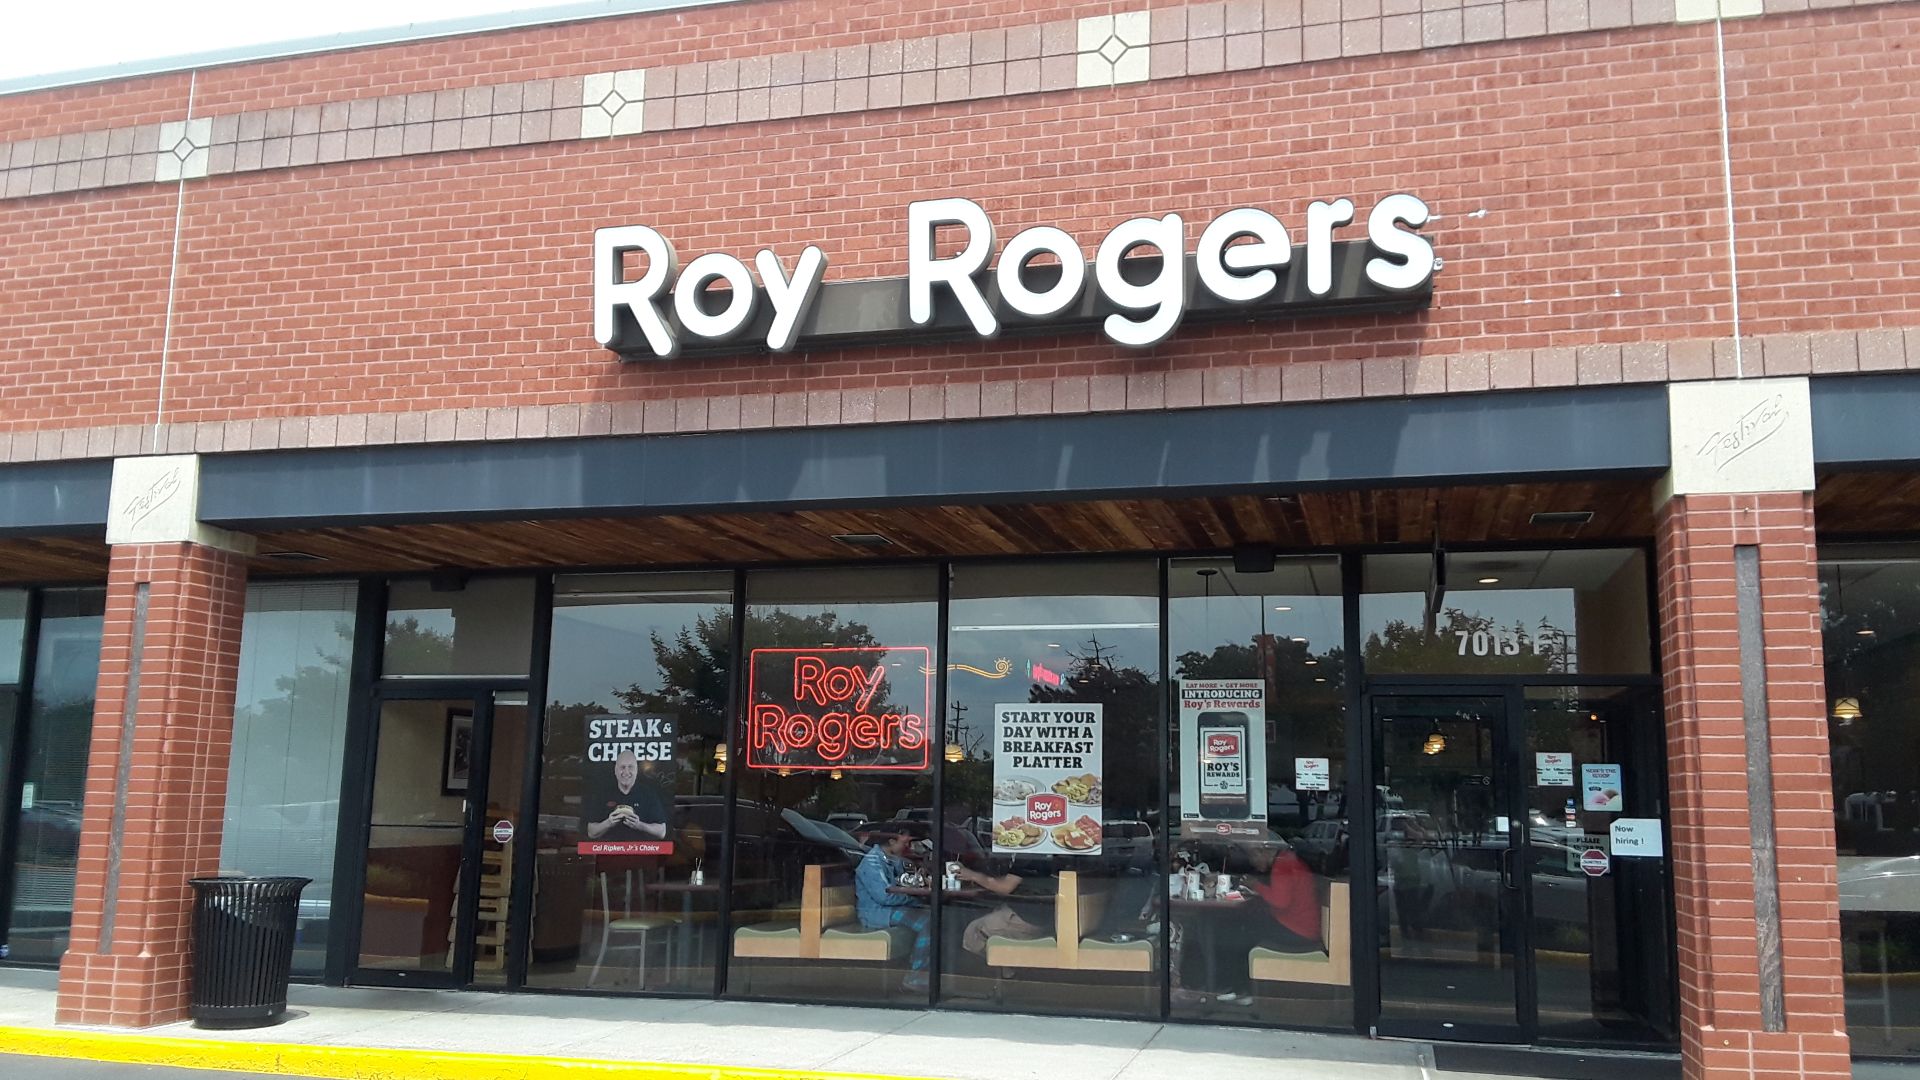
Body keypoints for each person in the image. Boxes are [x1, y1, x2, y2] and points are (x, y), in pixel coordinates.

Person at [1202, 839, 1323, 1004]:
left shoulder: (1283, 865)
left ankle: (1240, 989)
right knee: (1243, 930)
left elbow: (1281, 901)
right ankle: (1237, 988)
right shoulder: (1287, 860)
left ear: (1260, 852)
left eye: (1253, 858)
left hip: (1298, 930)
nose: (1254, 865)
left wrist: (1256, 885)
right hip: (1301, 926)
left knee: (1237, 936)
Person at [854, 829, 932, 991]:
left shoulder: (890, 860)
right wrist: (913, 899)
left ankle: (925, 972)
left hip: (889, 909)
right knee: (928, 922)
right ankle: (915, 977)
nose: (908, 847)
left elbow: (904, 881)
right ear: (891, 841)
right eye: (905, 843)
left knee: (934, 916)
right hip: (876, 913)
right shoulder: (872, 862)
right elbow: (885, 896)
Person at [954, 858, 1053, 958]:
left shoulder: (1026, 857)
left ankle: (998, 968)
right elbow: (1010, 879)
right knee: (989, 914)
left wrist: (972, 875)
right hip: (1044, 917)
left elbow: (1004, 887)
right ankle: (1007, 968)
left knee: (973, 931)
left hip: (1027, 919)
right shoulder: (1038, 856)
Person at [585, 748, 670, 842]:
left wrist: (640, 825)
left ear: (636, 770)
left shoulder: (648, 794)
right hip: (610, 852)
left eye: (630, 767)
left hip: (641, 852)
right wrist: (608, 823)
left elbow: (661, 832)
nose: (626, 772)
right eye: (622, 767)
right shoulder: (603, 793)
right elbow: (591, 832)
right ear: (615, 770)